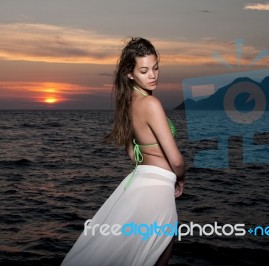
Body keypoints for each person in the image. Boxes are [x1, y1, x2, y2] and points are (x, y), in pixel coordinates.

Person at [62, 37, 185, 266]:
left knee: (129, 251)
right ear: (130, 73)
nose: (153, 75)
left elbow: (132, 153)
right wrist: (180, 179)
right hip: (158, 189)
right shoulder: (151, 104)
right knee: (158, 253)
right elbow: (176, 159)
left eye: (156, 68)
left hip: (140, 183)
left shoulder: (128, 102)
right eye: (144, 70)